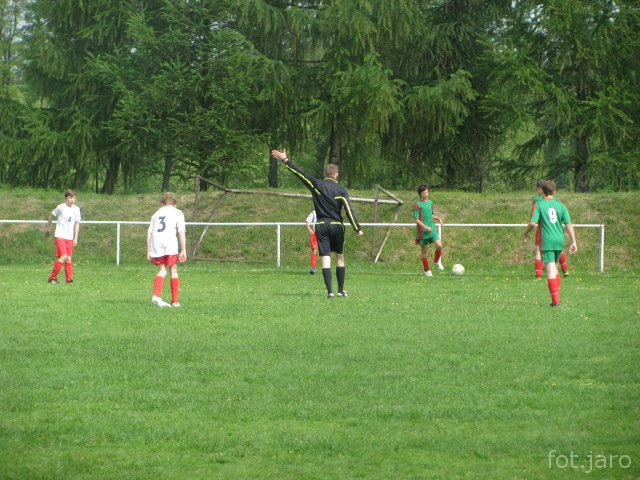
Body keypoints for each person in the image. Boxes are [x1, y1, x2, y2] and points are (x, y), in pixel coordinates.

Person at [271, 148, 363, 298]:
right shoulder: (341, 190)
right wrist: (357, 228)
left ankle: (330, 292)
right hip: (336, 226)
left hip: (321, 226)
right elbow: (349, 210)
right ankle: (341, 290)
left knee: (325, 257)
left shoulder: (317, 184)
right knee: (339, 257)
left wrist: (285, 160)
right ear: (337, 175)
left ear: (325, 174)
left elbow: (301, 174)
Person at [523, 180, 577, 307]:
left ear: (542, 191)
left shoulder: (539, 204)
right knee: (555, 268)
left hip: (547, 240)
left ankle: (555, 302)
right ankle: (557, 296)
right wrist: (574, 241)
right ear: (554, 191)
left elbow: (533, 223)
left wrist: (525, 233)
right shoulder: (561, 205)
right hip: (559, 239)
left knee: (551, 270)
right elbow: (568, 225)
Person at [147, 192, 187, 307]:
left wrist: (148, 250)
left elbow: (149, 232)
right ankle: (175, 301)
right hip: (170, 243)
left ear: (162, 204)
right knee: (173, 270)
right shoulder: (178, 212)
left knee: (162, 270)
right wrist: (183, 250)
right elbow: (181, 231)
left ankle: (156, 296)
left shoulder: (156, 214)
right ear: (175, 204)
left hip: (156, 242)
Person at [531, 180, 569, 278]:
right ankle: (565, 269)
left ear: (541, 189)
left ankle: (538, 273)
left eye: (537, 189)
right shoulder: (557, 201)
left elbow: (533, 218)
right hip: (557, 230)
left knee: (538, 250)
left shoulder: (537, 200)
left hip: (543, 230)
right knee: (559, 250)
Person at [46, 189, 81, 284]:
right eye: (70, 198)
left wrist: (75, 238)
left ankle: (69, 280)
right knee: (64, 256)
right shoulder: (60, 207)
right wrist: (48, 228)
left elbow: (77, 223)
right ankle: (52, 278)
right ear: (66, 198)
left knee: (69, 258)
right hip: (60, 236)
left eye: (74, 198)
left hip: (69, 238)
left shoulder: (76, 209)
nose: (72, 200)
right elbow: (51, 215)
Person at [414, 184, 444, 277]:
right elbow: (416, 219)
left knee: (439, 245)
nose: (426, 194)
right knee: (424, 251)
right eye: (424, 193)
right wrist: (426, 227)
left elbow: (430, 214)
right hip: (422, 231)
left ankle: (436, 261)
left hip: (432, 228)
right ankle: (427, 270)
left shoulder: (430, 202)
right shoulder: (418, 205)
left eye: (427, 192)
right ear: (420, 194)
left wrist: (438, 218)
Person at [305, 209, 318, 274]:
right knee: (314, 250)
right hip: (315, 234)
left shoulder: (326, 210)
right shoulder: (314, 212)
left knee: (326, 251)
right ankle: (313, 267)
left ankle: (326, 267)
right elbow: (307, 221)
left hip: (324, 234)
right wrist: (310, 230)